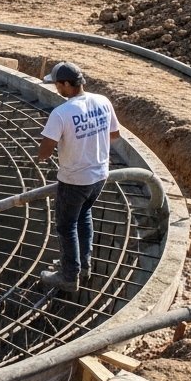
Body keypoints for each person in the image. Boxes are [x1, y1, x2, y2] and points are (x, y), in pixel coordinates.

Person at [36, 62, 119, 292]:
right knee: (84, 216)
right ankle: (83, 265)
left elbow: (44, 152)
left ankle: (69, 275)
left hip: (74, 179)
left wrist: (45, 154)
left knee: (66, 226)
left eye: (56, 85)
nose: (55, 89)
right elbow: (114, 134)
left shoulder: (61, 113)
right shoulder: (103, 101)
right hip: (100, 175)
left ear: (65, 84)